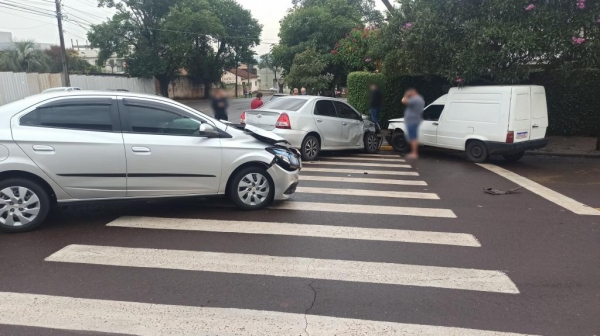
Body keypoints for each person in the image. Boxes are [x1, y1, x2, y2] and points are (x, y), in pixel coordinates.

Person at [402, 88, 425, 159]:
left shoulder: (415, 99)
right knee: (414, 137)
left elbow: (403, 101)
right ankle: (414, 152)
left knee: (413, 137)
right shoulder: (420, 99)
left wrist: (406, 95)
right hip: (415, 120)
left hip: (412, 121)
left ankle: (414, 153)